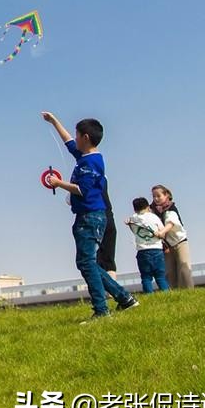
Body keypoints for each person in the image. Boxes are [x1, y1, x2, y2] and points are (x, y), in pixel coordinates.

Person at [41, 113, 138, 319]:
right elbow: (67, 143)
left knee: (86, 262)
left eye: (77, 135)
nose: (74, 138)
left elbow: (82, 189)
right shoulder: (86, 157)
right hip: (88, 216)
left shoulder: (91, 163)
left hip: (90, 217)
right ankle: (125, 298)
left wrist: (58, 184)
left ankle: (101, 310)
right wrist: (54, 121)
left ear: (85, 137)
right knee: (87, 262)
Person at [152, 185, 194, 289]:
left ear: (166, 195)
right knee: (169, 272)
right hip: (166, 246)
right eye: (154, 196)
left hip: (180, 242)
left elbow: (171, 223)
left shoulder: (171, 208)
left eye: (158, 196)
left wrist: (162, 232)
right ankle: (173, 293)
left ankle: (188, 291)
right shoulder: (152, 211)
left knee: (184, 269)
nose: (156, 198)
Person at [124, 197, 169, 293]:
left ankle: (149, 295)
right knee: (160, 276)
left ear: (135, 209)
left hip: (142, 251)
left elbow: (134, 232)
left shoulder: (133, 219)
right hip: (156, 249)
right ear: (148, 207)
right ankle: (166, 293)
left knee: (146, 277)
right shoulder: (153, 217)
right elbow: (163, 233)